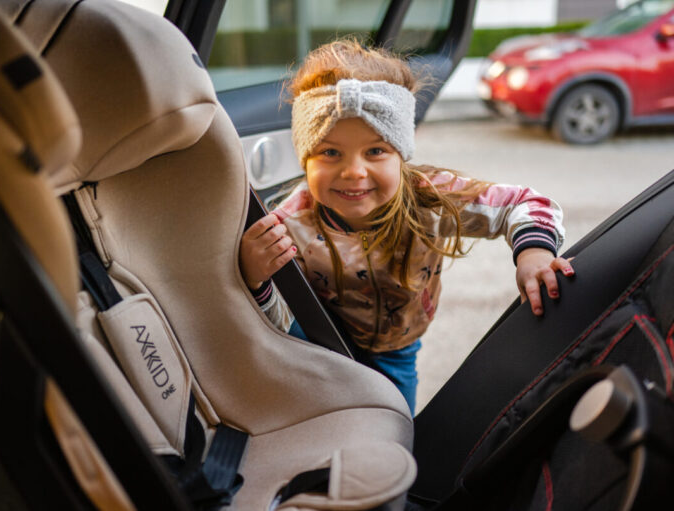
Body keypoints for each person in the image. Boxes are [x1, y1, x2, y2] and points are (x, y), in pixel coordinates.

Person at [238, 40, 574, 415]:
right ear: (305, 159)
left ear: (402, 154)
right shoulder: (290, 224)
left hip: (397, 347)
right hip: (318, 338)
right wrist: (258, 280)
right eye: (330, 152)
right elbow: (280, 320)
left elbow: (524, 202)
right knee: (318, 418)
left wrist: (534, 252)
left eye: (376, 151)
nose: (354, 171)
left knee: (395, 425)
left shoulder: (429, 198)